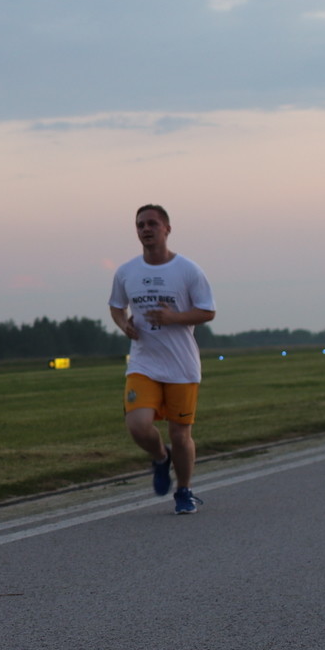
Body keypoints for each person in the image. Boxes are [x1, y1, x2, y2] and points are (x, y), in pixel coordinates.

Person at [108, 204, 217, 514]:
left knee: (180, 435)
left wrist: (173, 318)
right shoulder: (127, 272)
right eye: (140, 224)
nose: (145, 229)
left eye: (152, 224)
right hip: (143, 363)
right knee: (138, 426)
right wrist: (123, 324)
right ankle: (160, 457)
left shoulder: (188, 270)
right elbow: (116, 306)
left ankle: (184, 490)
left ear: (167, 229)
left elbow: (207, 311)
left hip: (181, 365)